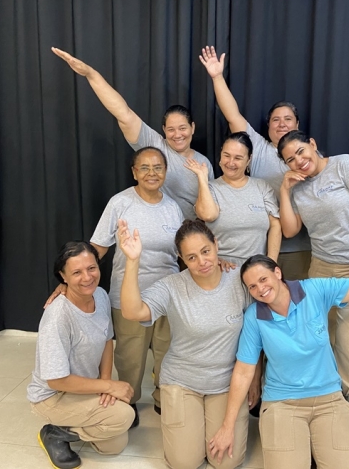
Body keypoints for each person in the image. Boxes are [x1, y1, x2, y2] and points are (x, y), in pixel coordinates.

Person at [208, 253, 349, 469]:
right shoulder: (254, 317)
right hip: (282, 403)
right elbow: (243, 372)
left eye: (263, 279)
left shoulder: (314, 290)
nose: (260, 289)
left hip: (328, 399)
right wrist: (227, 427)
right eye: (252, 286)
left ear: (277, 272)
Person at [45, 147, 183, 423]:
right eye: (144, 167)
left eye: (158, 167)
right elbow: (97, 247)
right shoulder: (120, 203)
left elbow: (181, 252)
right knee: (130, 356)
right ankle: (127, 402)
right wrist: (71, 281)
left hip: (167, 296)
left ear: (166, 172)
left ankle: (163, 398)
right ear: (134, 172)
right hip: (129, 296)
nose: (152, 173)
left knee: (168, 352)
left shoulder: (173, 208)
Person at [118, 219, 260, 469]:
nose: (202, 261)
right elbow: (132, 311)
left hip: (226, 383)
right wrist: (132, 261)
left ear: (216, 244)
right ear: (181, 258)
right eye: (192, 257)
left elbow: (258, 333)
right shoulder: (172, 286)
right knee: (185, 463)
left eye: (206, 251)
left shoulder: (239, 280)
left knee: (226, 463)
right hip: (182, 381)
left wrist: (254, 378)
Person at [277, 130, 349, 402]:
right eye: (290, 159)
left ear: (313, 144)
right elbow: (290, 230)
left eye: (301, 151)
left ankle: (345, 399)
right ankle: (324, 392)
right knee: (323, 335)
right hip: (322, 267)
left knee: (348, 340)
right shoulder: (298, 186)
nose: (299, 161)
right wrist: (284, 190)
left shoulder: (344, 165)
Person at [52, 47, 214, 220]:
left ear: (192, 128)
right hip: (152, 228)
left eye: (182, 128)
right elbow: (123, 113)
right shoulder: (155, 145)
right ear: (164, 130)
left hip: (189, 233)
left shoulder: (204, 164)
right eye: (171, 129)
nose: (177, 134)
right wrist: (91, 74)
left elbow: (210, 208)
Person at [199, 46, 311, 279]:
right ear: (268, 126)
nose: (282, 124)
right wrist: (217, 77)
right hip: (260, 247)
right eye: (276, 120)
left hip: (300, 247)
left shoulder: (308, 155)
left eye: (288, 119)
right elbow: (232, 114)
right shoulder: (257, 148)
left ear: (297, 125)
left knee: (294, 300)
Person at [28, 242, 136, 469]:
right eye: (76, 272)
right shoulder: (58, 317)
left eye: (91, 268)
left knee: (114, 445)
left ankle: (68, 429)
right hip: (54, 395)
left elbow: (107, 339)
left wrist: (104, 382)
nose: (87, 277)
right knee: (125, 416)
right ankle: (53, 433)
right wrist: (109, 387)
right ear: (63, 276)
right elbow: (56, 380)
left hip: (85, 386)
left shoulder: (101, 295)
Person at [186, 131, 281, 265]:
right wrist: (202, 178)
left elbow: (275, 225)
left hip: (256, 267)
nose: (231, 162)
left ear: (248, 159)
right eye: (226, 155)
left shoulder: (262, 187)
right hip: (221, 266)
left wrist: (270, 262)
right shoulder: (210, 188)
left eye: (238, 158)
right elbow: (208, 215)